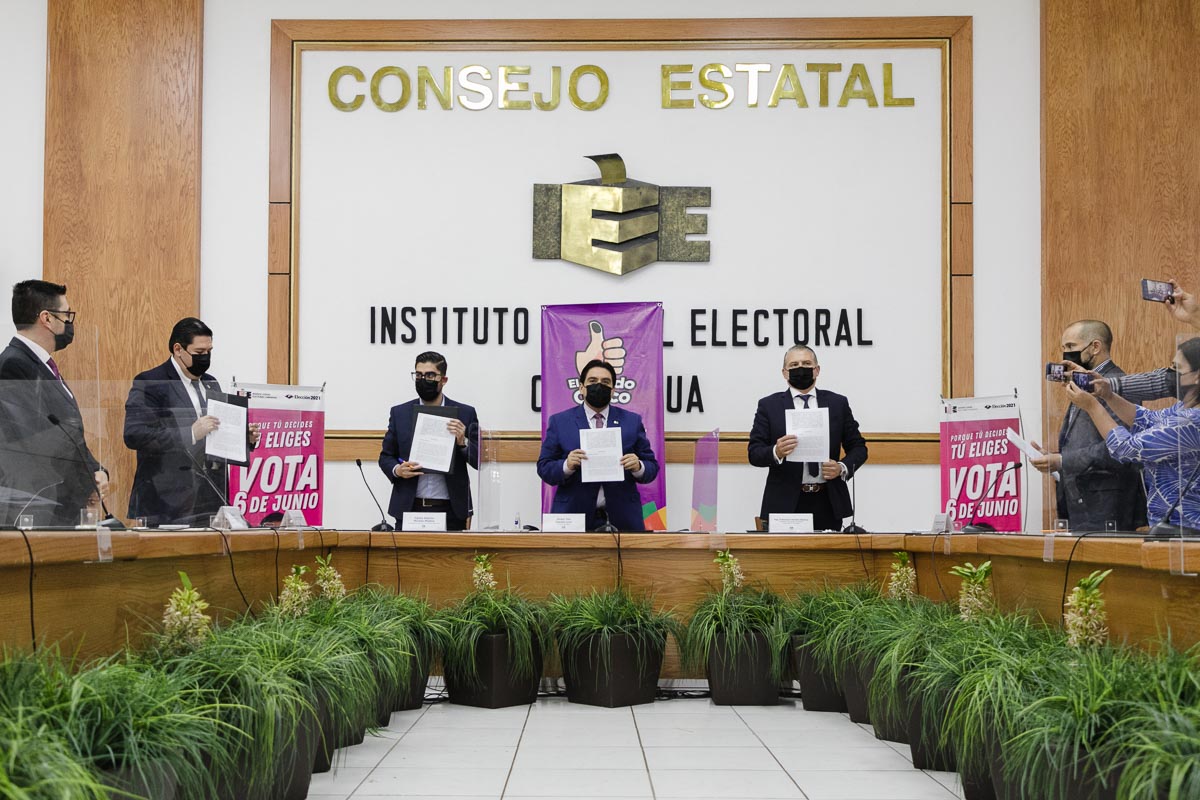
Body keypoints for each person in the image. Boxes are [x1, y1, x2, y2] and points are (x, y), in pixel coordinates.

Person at [124, 318, 259, 527]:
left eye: (209, 351)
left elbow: (215, 432)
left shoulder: (211, 382)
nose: (205, 357)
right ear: (178, 349)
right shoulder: (151, 382)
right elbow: (135, 435)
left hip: (210, 498)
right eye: (199, 352)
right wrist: (191, 433)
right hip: (166, 501)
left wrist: (243, 438)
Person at [0, 280, 108, 526]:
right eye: (67, 315)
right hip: (37, 505)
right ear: (47, 318)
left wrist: (97, 471)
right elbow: (38, 439)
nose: (69, 323)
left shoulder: (41, 364)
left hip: (57, 504)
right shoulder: (14, 365)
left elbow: (67, 434)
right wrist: (87, 481)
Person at [1067, 337, 1200, 534]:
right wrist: (1107, 395)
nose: (1169, 373)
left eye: (1177, 368)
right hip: (1172, 527)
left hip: (1187, 530)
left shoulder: (1192, 420)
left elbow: (1126, 449)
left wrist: (1093, 407)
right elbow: (1147, 419)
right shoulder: (1183, 408)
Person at [1031, 320, 1145, 531]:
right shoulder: (1083, 382)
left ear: (1095, 347)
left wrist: (1064, 460)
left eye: (1071, 346)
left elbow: (1120, 448)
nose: (1065, 354)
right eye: (1063, 347)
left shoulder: (1116, 384)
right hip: (1080, 505)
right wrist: (1055, 457)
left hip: (1109, 506)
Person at [748, 345, 868, 531]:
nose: (800, 369)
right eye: (794, 365)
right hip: (784, 502)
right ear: (784, 373)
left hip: (827, 501)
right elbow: (754, 453)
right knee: (786, 552)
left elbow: (859, 447)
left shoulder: (837, 403)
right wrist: (776, 451)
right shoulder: (768, 406)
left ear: (817, 370)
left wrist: (841, 467)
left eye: (806, 364)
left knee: (829, 551)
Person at [537, 359, 659, 531]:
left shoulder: (632, 421)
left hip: (623, 518)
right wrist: (566, 465)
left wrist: (638, 466)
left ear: (613, 390)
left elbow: (652, 467)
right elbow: (544, 467)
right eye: (593, 381)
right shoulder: (560, 422)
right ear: (581, 387)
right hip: (573, 516)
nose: (599, 386)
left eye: (605, 382)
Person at [378, 351, 479, 530]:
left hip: (451, 510)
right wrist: (398, 470)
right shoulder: (400, 413)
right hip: (410, 507)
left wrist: (463, 442)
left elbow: (480, 461)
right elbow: (386, 457)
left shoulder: (465, 413)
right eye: (419, 375)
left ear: (444, 379)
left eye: (430, 375)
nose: (423, 379)